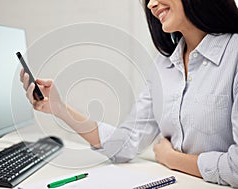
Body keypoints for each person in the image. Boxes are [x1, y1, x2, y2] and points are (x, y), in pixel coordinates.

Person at [20, 0, 238, 187]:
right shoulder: (164, 64)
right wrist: (60, 109)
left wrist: (173, 159)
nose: (151, 4)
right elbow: (124, 144)